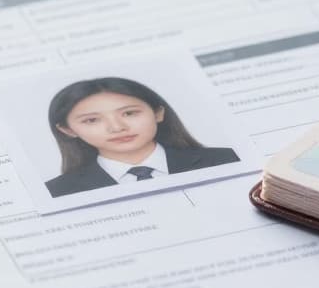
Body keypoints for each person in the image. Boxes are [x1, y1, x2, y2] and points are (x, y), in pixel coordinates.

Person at [43, 76, 238, 197]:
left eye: (129, 113)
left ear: (158, 113)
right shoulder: (58, 191)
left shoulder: (224, 159)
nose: (117, 127)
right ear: (68, 130)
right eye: (92, 120)